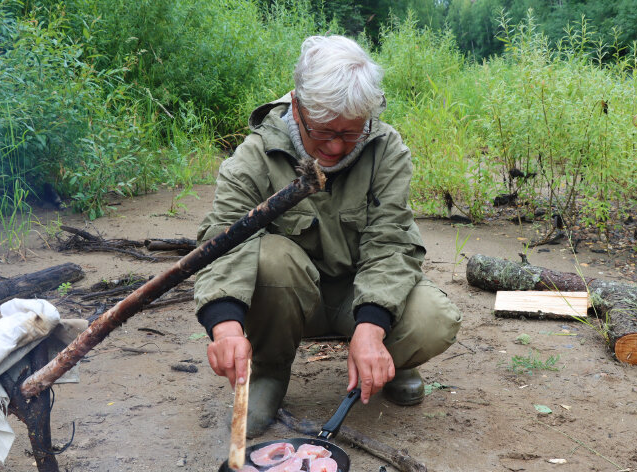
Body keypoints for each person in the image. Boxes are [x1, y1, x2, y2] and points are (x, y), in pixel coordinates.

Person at [193, 35, 461, 437]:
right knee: (270, 258)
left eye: (351, 132)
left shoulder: (386, 149)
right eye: (323, 131)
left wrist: (371, 327)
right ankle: (269, 372)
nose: (336, 146)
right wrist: (226, 328)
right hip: (292, 300)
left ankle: (389, 357)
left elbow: (391, 243)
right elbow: (223, 242)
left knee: (434, 320)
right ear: (297, 108)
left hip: (361, 295)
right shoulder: (256, 155)